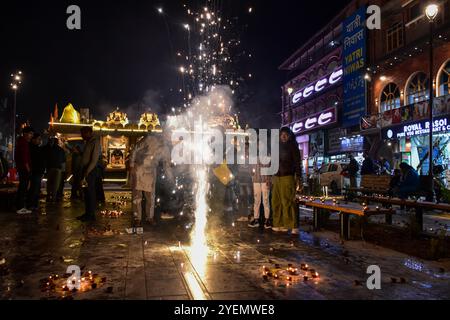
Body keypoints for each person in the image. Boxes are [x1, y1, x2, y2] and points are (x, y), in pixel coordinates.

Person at [129, 134, 173, 226]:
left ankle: (150, 217)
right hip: (139, 169)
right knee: (137, 196)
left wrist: (170, 177)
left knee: (151, 196)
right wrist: (132, 165)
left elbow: (167, 163)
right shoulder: (149, 138)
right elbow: (135, 149)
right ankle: (137, 218)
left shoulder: (166, 148)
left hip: (151, 171)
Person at [271, 127, 302, 235]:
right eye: (282, 134)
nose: (283, 137)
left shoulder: (293, 146)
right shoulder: (276, 147)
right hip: (276, 177)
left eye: (286, 135)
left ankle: (293, 225)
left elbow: (298, 163)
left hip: (287, 176)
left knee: (288, 201)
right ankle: (279, 223)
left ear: (289, 136)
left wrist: (298, 177)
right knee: (276, 201)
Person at [77, 127, 101, 222]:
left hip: (90, 171)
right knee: (86, 192)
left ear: (89, 133)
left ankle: (91, 215)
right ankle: (87, 213)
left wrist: (87, 172)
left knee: (90, 192)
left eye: (83, 133)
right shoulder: (88, 142)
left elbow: (94, 159)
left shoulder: (95, 142)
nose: (82, 135)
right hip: (85, 170)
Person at [248, 154, 272, 229]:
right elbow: (251, 169)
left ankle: (267, 220)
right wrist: (251, 174)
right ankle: (256, 219)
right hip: (256, 180)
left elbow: (270, 168)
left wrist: (269, 178)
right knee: (257, 200)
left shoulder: (267, 156)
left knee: (266, 200)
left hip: (265, 180)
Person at [14, 127, 34, 214]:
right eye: (30, 134)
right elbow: (24, 158)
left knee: (22, 188)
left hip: (21, 168)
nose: (31, 136)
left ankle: (20, 206)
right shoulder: (23, 143)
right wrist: (28, 170)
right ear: (25, 133)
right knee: (23, 188)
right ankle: (20, 207)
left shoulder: (21, 142)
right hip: (24, 169)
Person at [44, 137, 66, 203]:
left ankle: (48, 196)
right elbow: (63, 161)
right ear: (58, 142)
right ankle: (53, 198)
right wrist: (63, 170)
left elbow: (46, 159)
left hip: (50, 168)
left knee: (49, 183)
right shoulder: (61, 150)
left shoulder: (49, 150)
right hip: (58, 169)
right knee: (56, 184)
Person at [27, 133, 45, 211]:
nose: (40, 140)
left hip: (38, 171)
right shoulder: (32, 148)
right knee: (34, 189)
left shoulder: (37, 148)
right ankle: (32, 205)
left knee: (36, 189)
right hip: (35, 171)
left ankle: (34, 204)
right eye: (38, 139)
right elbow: (36, 161)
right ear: (33, 140)